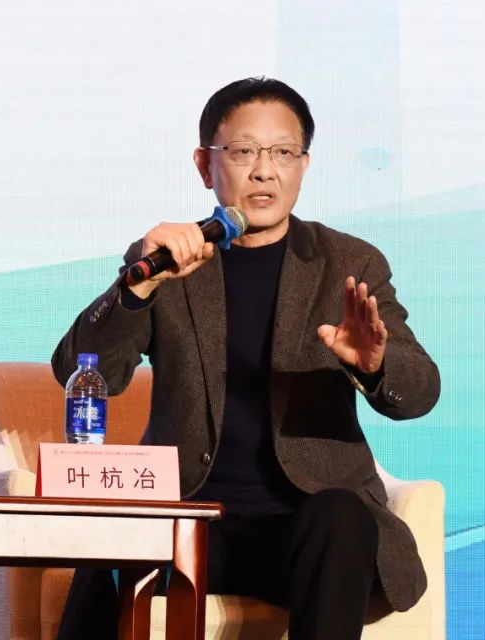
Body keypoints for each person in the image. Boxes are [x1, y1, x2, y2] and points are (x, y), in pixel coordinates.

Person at [52, 77, 441, 640]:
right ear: (205, 165)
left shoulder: (348, 263)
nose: (264, 171)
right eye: (243, 152)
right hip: (191, 526)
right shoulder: (171, 261)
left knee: (340, 515)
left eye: (283, 153)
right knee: (115, 541)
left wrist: (373, 364)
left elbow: (420, 393)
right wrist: (137, 288)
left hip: (303, 532)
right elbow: (83, 372)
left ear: (304, 165)